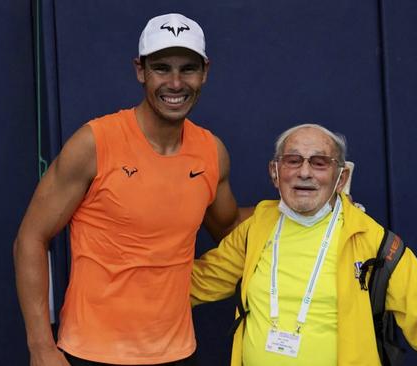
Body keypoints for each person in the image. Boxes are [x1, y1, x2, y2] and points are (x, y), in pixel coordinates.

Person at [14, 13, 250, 366]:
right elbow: (30, 238)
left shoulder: (211, 152)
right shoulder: (95, 143)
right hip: (90, 352)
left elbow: (229, 229)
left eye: (187, 68)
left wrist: (298, 209)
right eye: (161, 68)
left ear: (205, 73)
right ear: (140, 70)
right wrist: (41, 346)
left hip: (178, 352)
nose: (175, 82)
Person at [191, 124, 417, 365]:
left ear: (341, 178)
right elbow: (196, 283)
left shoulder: (372, 241)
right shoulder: (256, 228)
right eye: (293, 161)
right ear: (275, 173)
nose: (305, 172)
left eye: (320, 163)